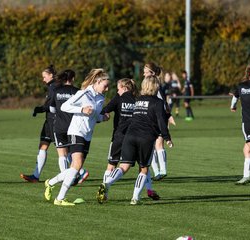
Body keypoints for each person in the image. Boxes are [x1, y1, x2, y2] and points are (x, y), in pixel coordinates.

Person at [96, 75, 173, 205]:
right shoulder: (158, 102)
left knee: (124, 166)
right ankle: (135, 198)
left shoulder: (138, 100)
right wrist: (167, 137)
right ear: (156, 87)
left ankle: (106, 183)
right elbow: (161, 121)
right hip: (146, 138)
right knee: (144, 169)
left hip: (129, 136)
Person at [44, 68, 110, 206]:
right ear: (97, 82)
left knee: (75, 167)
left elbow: (93, 115)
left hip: (87, 135)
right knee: (77, 165)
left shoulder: (100, 97)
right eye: (105, 85)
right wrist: (81, 109)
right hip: (76, 131)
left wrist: (102, 117)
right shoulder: (84, 93)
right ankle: (60, 198)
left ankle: (50, 183)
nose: (107, 88)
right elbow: (65, 106)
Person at [49, 69, 89, 183]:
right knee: (74, 153)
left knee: (62, 154)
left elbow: (52, 109)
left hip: (59, 126)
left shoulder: (57, 91)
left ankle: (66, 178)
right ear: (73, 78)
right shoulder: (78, 92)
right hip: (74, 127)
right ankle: (80, 172)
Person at [20, 65, 58, 183]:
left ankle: (80, 172)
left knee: (62, 149)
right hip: (49, 121)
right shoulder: (51, 86)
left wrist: (39, 109)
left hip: (55, 121)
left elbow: (50, 105)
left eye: (44, 76)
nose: (43, 79)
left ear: (51, 75)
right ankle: (35, 176)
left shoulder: (54, 86)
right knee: (43, 145)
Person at [143, 62, 175, 182]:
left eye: (146, 72)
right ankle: (157, 172)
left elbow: (163, 104)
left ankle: (162, 171)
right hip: (149, 119)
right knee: (152, 146)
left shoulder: (156, 86)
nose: (143, 74)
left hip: (157, 120)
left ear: (152, 73)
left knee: (158, 145)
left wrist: (168, 115)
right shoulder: (147, 85)